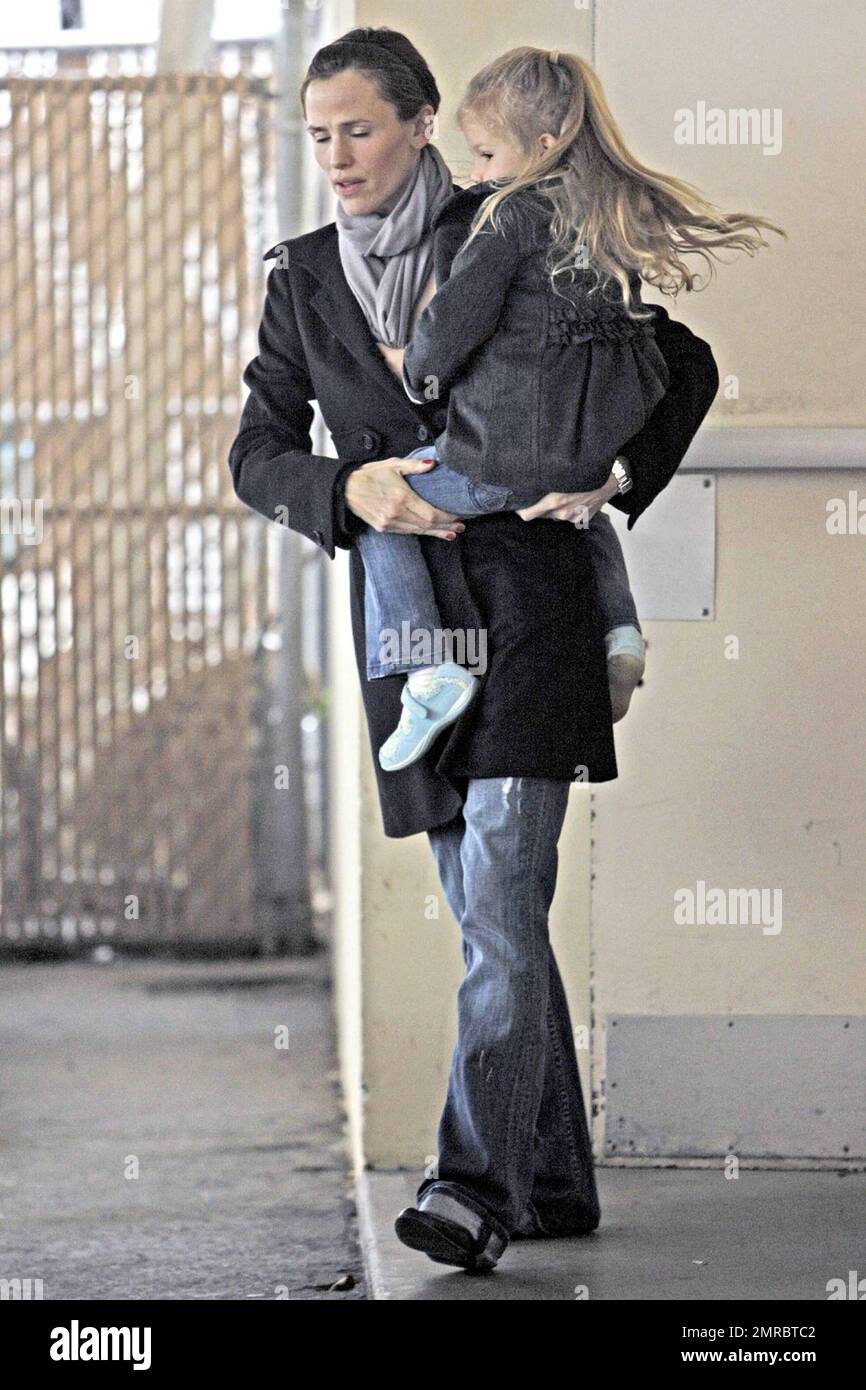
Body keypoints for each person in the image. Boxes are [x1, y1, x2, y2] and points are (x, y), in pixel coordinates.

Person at [228, 26, 726, 1272]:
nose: (336, 155)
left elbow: (680, 359)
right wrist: (354, 494)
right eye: (318, 132)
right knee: (485, 913)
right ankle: (549, 1178)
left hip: (529, 601)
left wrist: (612, 473)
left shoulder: (519, 219)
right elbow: (256, 454)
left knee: (500, 891)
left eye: (358, 127)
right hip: (409, 633)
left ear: (421, 125)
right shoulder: (299, 277)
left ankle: (469, 1187)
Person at [356, 47, 784, 775]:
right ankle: (621, 634)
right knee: (582, 512)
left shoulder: (507, 218)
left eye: (488, 153)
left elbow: (448, 331)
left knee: (376, 509)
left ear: (543, 147)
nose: (480, 172)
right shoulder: (602, 221)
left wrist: (415, 374)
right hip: (584, 462)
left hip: (500, 461)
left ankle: (429, 668)